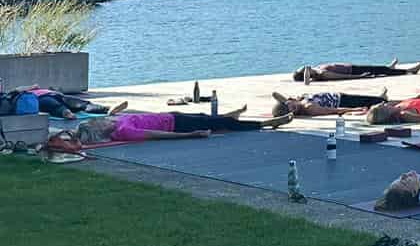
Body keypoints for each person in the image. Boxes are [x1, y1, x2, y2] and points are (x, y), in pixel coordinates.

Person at [47, 110, 293, 146]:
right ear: (99, 129)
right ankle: (266, 123)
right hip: (177, 124)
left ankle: (231, 118)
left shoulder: (115, 121)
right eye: (97, 122)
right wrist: (191, 135)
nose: (100, 120)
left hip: (172, 114)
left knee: (213, 119)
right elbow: (157, 135)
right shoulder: (123, 132)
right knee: (221, 124)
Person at [269, 90, 388, 118]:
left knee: (372, 99)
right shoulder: (309, 107)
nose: (291, 107)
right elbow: (333, 110)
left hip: (339, 96)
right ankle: (382, 99)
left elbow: (275, 94)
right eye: (291, 110)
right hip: (343, 101)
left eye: (289, 104)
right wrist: (355, 110)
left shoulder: (298, 102)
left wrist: (287, 102)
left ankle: (380, 97)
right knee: (379, 102)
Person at [292, 60, 420, 82]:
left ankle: (391, 68)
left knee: (380, 69)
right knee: (381, 70)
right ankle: (409, 71)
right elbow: (341, 77)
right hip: (354, 71)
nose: (306, 66)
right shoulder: (322, 74)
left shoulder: (318, 70)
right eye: (304, 69)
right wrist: (360, 77)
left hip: (353, 67)